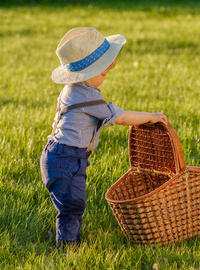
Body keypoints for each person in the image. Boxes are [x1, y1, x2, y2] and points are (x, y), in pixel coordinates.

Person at [40, 27, 168, 249]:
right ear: (87, 74)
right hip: (67, 158)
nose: (105, 78)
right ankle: (68, 245)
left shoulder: (72, 89)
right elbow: (121, 118)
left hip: (58, 154)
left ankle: (71, 237)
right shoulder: (88, 97)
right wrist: (152, 117)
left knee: (72, 201)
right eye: (103, 74)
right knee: (72, 204)